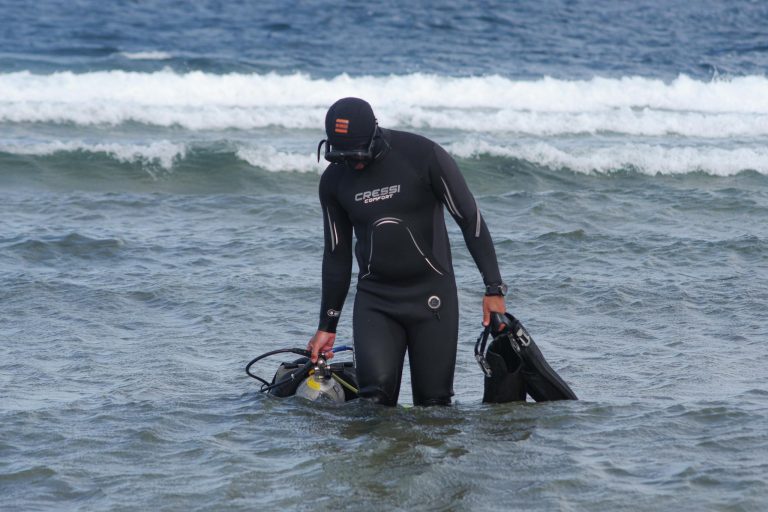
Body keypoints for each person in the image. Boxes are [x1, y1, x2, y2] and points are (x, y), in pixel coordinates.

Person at [308, 97, 508, 406]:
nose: (355, 164)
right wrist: (327, 325)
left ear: (374, 134)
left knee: (434, 405)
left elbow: (470, 219)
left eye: (359, 156)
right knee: (373, 403)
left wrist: (493, 287)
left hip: (431, 298)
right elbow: (336, 254)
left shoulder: (423, 155)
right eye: (345, 158)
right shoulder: (334, 181)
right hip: (376, 301)